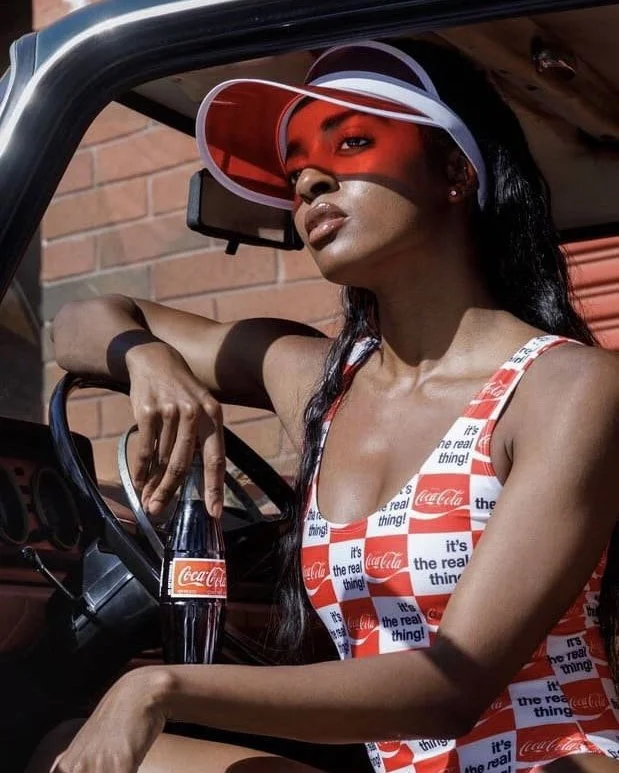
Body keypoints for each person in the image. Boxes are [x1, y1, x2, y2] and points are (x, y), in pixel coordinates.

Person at [31, 38, 619, 773]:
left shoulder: (567, 386)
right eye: (296, 168)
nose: (308, 181)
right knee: (65, 746)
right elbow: (82, 321)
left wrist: (159, 685)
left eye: (352, 142)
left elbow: (450, 685)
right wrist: (146, 362)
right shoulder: (318, 381)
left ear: (455, 172)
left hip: (547, 760)